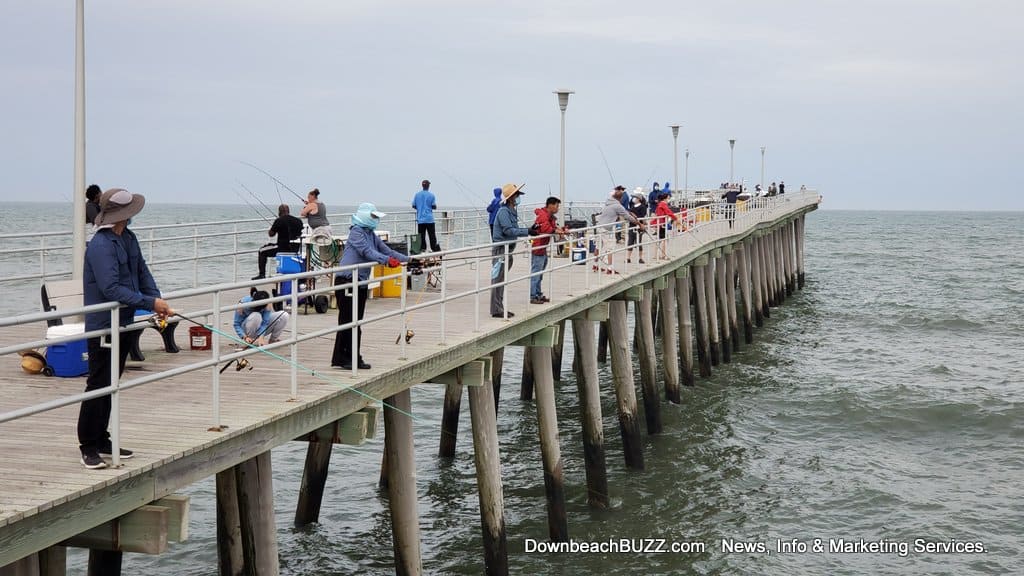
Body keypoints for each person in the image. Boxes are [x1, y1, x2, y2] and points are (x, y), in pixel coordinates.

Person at [79, 188, 173, 469]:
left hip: (125, 321)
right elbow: (110, 288)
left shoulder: (128, 238)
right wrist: (149, 302)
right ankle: (87, 445)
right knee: (98, 383)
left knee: (113, 382)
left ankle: (102, 438)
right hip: (102, 326)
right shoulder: (100, 245)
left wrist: (157, 300)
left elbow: (142, 272)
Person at [331, 203, 410, 370]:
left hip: (359, 282)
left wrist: (410, 260)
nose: (375, 219)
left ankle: (350, 356)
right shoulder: (356, 232)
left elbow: (387, 251)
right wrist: (387, 261)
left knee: (356, 322)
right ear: (364, 215)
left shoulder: (370, 233)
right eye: (373, 216)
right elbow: (367, 252)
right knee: (348, 321)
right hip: (346, 281)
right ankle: (345, 357)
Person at [491, 183, 537, 318]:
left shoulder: (511, 211)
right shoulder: (503, 212)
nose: (518, 197)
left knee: (502, 280)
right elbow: (508, 230)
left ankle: (499, 307)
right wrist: (527, 231)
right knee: (497, 280)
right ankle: (496, 309)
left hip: (508, 250)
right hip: (501, 250)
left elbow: (514, 230)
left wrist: (530, 229)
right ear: (511, 198)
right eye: (517, 195)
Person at [595, 186, 642, 274]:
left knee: (598, 246)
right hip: (606, 229)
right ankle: (610, 269)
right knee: (610, 248)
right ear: (621, 198)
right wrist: (639, 224)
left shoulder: (608, 203)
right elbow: (627, 217)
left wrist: (629, 212)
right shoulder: (618, 206)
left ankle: (595, 265)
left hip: (599, 226)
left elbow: (624, 212)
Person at [530, 196, 567, 304]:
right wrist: (557, 231)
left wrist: (561, 230)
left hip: (543, 248)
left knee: (540, 273)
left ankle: (538, 294)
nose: (558, 208)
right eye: (557, 206)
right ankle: (533, 296)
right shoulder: (543, 216)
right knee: (536, 273)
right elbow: (546, 228)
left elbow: (552, 227)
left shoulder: (549, 216)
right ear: (550, 205)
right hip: (538, 247)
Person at [253, 204, 303, 280]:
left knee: (262, 251)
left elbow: (271, 234)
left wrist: (271, 228)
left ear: (279, 212)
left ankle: (262, 274)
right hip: (295, 249)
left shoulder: (279, 220)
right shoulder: (298, 221)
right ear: (288, 211)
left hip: (282, 248)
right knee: (268, 247)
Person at [412, 179, 441, 253]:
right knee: (432, 235)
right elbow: (433, 206)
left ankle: (423, 249)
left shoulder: (417, 195)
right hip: (429, 219)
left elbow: (414, 206)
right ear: (428, 186)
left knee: (422, 236)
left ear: (422, 186)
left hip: (420, 219)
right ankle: (434, 249)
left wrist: (420, 208)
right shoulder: (431, 195)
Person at [654, 191, 682, 258]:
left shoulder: (660, 204)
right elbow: (669, 212)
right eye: (668, 198)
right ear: (665, 199)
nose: (668, 200)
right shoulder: (663, 204)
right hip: (662, 223)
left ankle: (656, 255)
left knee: (659, 239)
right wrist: (676, 219)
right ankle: (663, 255)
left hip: (659, 223)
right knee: (664, 240)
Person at [626, 189, 647, 264]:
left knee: (639, 242)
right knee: (630, 242)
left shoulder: (643, 207)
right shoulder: (632, 206)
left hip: (638, 226)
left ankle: (640, 258)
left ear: (638, 199)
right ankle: (628, 258)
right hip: (631, 225)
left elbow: (642, 216)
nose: (633, 199)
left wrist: (634, 216)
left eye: (635, 197)